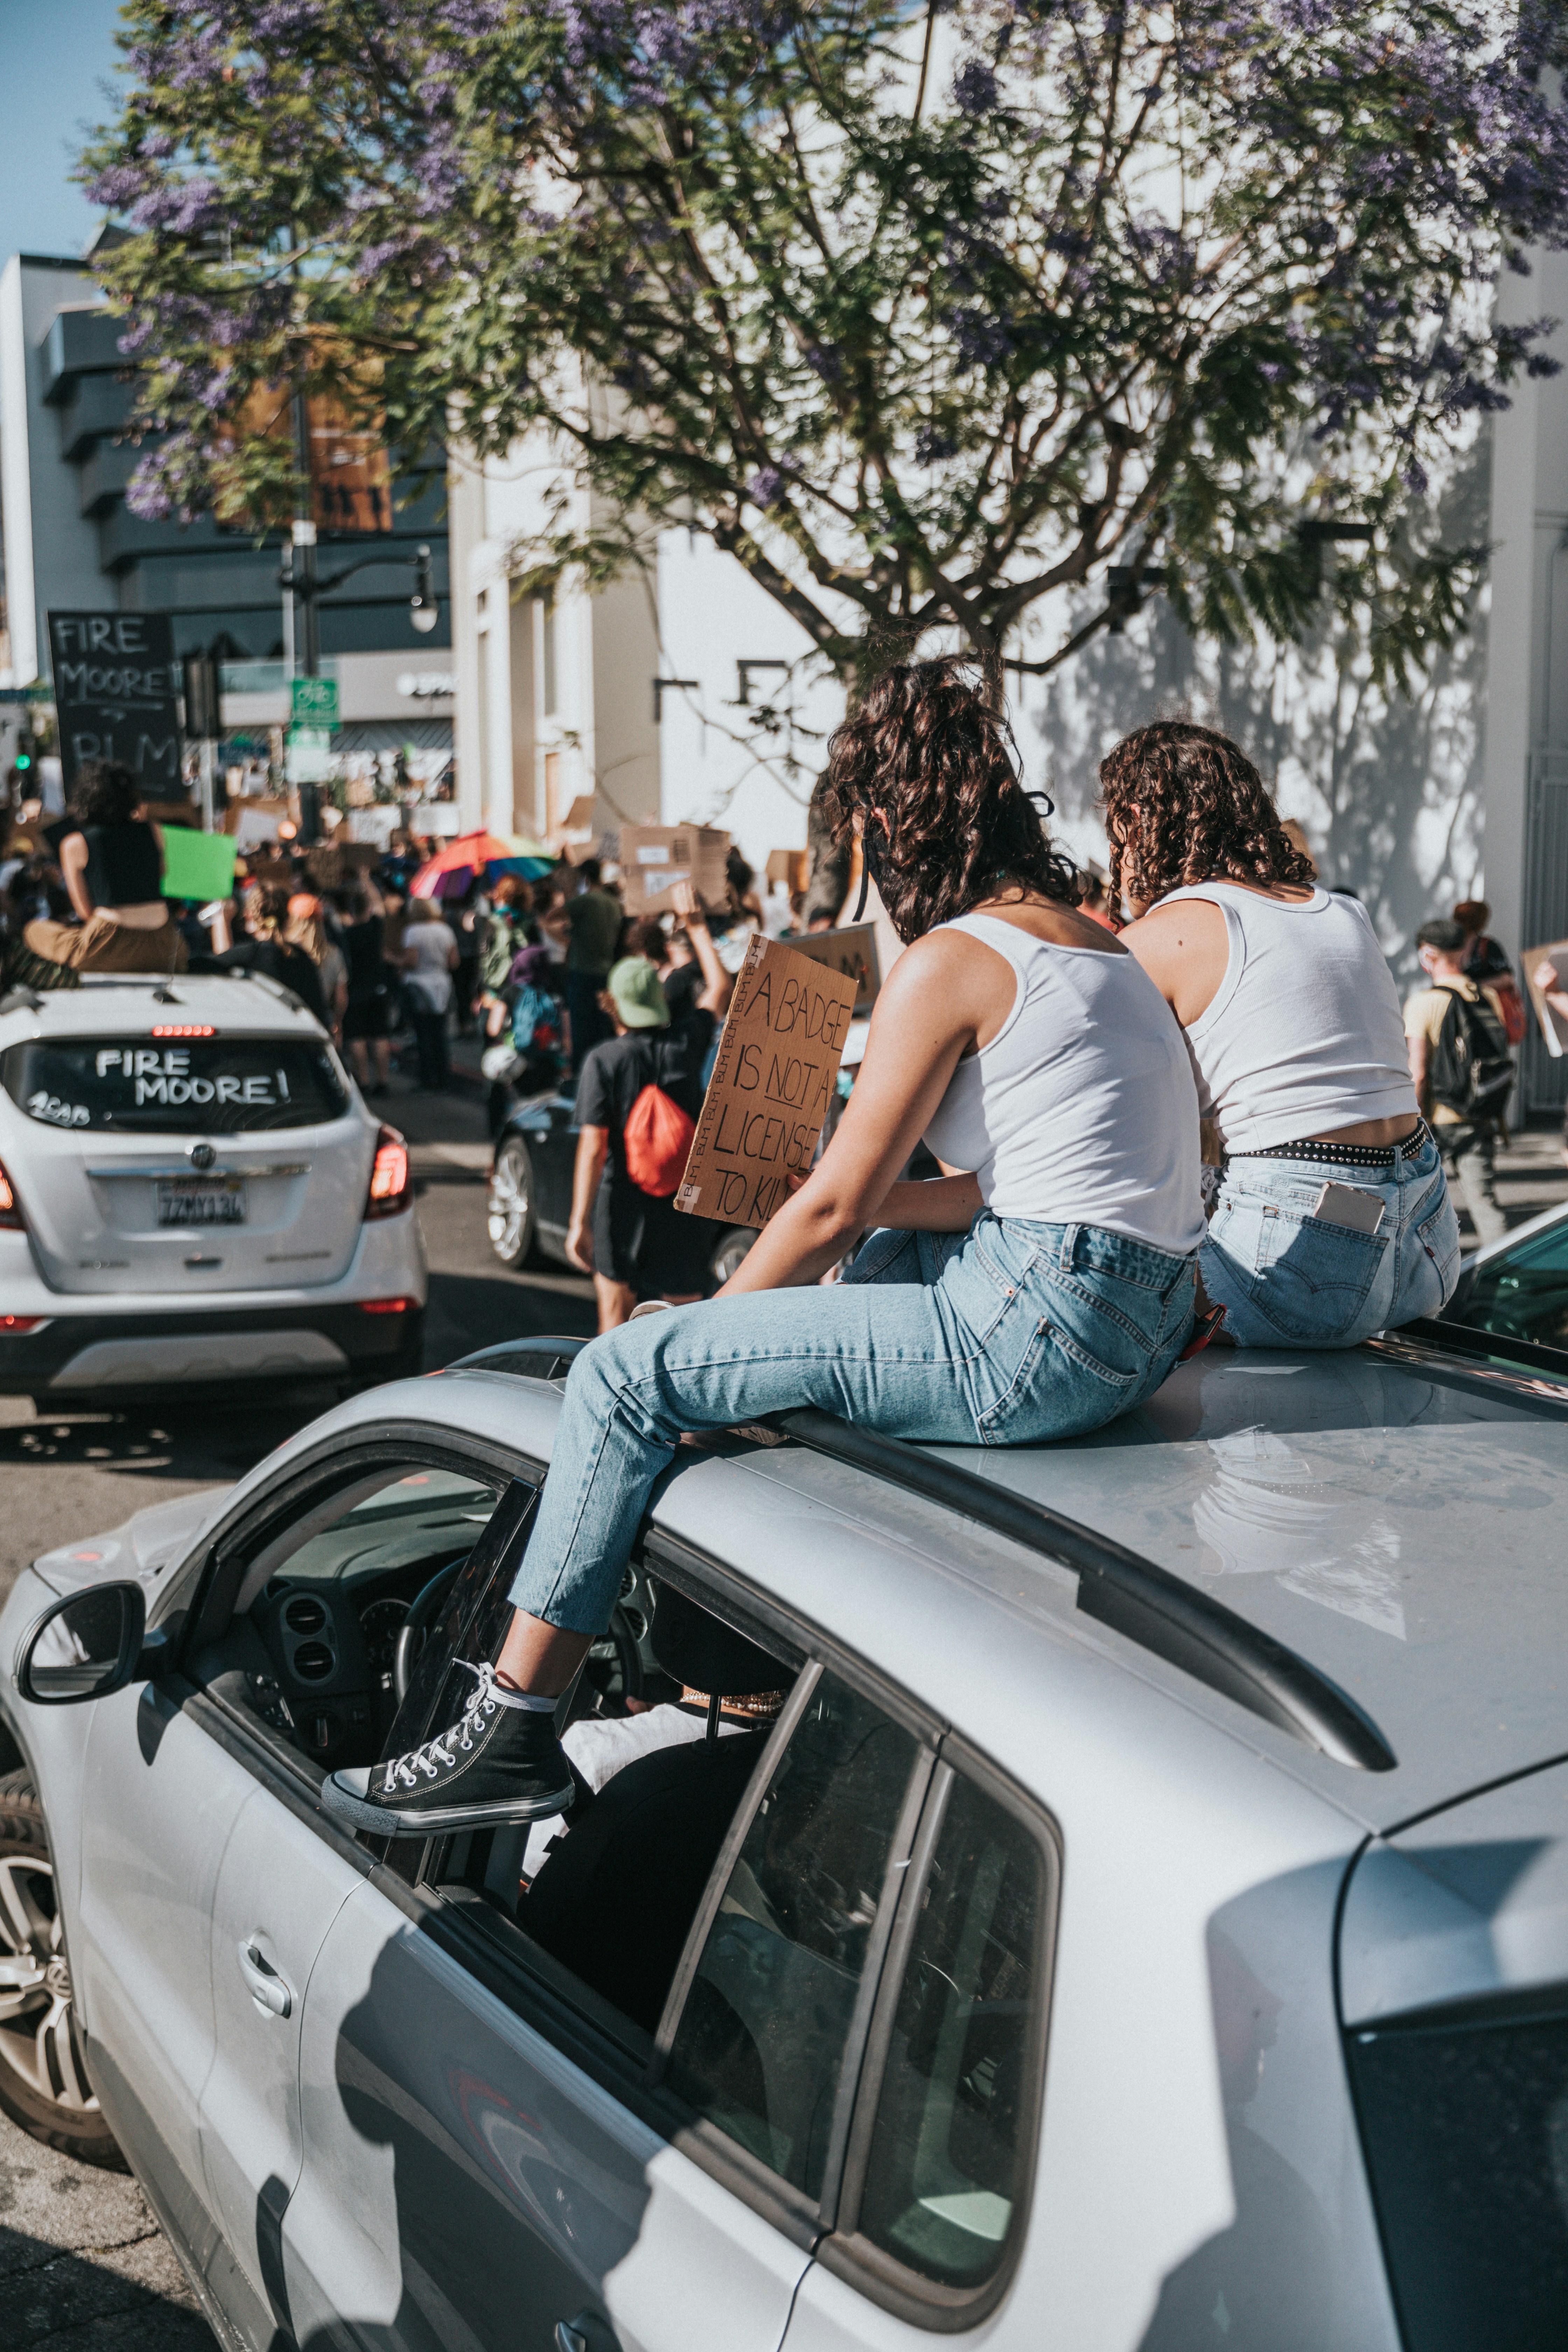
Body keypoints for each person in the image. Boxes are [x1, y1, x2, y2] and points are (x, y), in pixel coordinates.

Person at [323, 655, 1207, 1833]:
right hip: (1136, 1321)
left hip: (1037, 1329)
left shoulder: (953, 960)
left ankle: (509, 1729)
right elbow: (994, 1194)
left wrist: (708, 1316)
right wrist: (838, 1240)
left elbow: (832, 1206)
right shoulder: (1094, 944)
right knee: (862, 1272)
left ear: (891, 823)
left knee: (625, 1376)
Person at [1103, 720, 1458, 1348]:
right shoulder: (1343, 911)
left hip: (1303, 1262)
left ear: (1137, 818)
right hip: (1428, 1240)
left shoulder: (1166, 935)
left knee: (1111, 1324)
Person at [564, 951, 727, 1332]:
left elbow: (593, 1150)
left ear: (613, 1005)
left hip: (619, 1207)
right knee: (682, 1324)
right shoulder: (687, 1043)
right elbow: (720, 987)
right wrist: (696, 925)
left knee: (614, 1324)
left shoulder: (603, 1061)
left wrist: (579, 1222)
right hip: (682, 1210)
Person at [1406, 917, 1513, 1246]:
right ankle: (1506, 1277)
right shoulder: (1487, 997)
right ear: (1464, 952)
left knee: (1417, 1210)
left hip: (1437, 1121)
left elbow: (1419, 1073)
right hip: (1479, 1114)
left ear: (1427, 955)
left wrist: (1412, 1125)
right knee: (1485, 1205)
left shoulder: (1423, 1003)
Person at [24, 758, 186, 975]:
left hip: (107, 946)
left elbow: (85, 911)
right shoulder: (155, 831)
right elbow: (162, 876)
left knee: (34, 930)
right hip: (165, 947)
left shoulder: (74, 844)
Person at [199, 882, 327, 1022]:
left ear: (249, 916)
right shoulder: (303, 958)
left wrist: (222, 919)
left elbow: (218, 961)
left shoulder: (254, 954)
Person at [551, 857, 624, 1072]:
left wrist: (563, 935)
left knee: (582, 1033)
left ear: (584, 877)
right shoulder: (614, 904)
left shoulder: (586, 901)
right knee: (603, 1031)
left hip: (583, 974)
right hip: (606, 973)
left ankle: (582, 1078)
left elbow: (552, 917)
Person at [340, 882, 393, 1092]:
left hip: (355, 991)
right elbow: (379, 905)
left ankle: (362, 1081)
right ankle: (383, 1082)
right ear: (368, 910)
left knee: (357, 1038)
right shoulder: (376, 928)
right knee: (380, 1036)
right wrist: (366, 879)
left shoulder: (347, 935)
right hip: (378, 989)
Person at [402, 895, 459, 1089]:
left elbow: (411, 961)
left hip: (419, 985)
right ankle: (444, 1077)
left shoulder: (413, 932)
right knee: (440, 1034)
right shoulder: (446, 930)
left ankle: (427, 1079)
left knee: (423, 1035)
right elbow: (454, 962)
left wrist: (397, 963)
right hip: (442, 985)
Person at [1454, 899, 1525, 1044]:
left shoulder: (1487, 946)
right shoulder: (1453, 946)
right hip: (1459, 1011)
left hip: (1486, 1015)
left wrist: (1475, 986)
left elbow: (1507, 978)